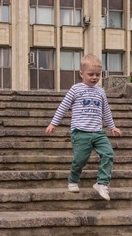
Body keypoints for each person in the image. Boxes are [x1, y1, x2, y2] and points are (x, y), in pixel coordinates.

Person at [45, 54, 123, 201]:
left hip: (98, 132)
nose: (94, 77)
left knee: (108, 154)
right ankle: (73, 180)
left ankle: (102, 183)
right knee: (81, 159)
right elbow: (63, 107)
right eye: (91, 74)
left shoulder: (100, 91)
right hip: (80, 132)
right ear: (81, 73)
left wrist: (112, 126)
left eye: (98, 75)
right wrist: (53, 123)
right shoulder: (76, 89)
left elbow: (106, 110)